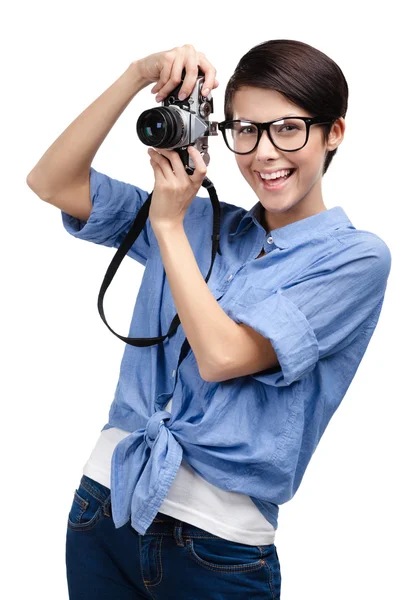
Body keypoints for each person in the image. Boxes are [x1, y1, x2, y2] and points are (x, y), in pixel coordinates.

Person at [26, 40, 391, 599]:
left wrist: (168, 227)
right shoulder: (198, 216)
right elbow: (52, 182)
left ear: (333, 133)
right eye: (245, 130)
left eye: (288, 129)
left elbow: (223, 356)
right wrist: (136, 76)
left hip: (217, 547)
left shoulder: (355, 258)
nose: (264, 153)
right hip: (104, 507)